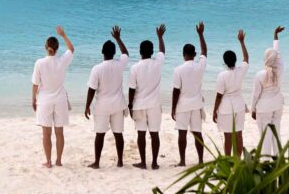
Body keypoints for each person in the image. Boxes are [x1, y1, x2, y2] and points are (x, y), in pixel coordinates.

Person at [85, 25, 130, 169]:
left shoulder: (97, 68)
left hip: (102, 106)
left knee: (100, 134)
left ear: (102, 52)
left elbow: (91, 89)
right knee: (118, 134)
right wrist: (118, 38)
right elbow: (126, 53)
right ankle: (120, 161)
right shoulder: (119, 65)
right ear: (114, 53)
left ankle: (97, 162)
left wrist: (86, 106)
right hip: (118, 105)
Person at [31, 25, 74, 168]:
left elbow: (35, 84)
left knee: (46, 133)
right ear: (57, 48)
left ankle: (48, 162)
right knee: (59, 133)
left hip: (44, 101)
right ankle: (59, 161)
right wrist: (63, 34)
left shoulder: (39, 63)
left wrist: (33, 99)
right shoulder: (62, 61)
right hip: (60, 100)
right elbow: (71, 49)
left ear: (45, 47)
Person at [127, 24, 166, 170]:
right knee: (154, 134)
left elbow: (131, 89)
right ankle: (155, 162)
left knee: (141, 134)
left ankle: (143, 162)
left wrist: (130, 106)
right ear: (152, 52)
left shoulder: (135, 68)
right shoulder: (157, 63)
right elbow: (162, 51)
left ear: (140, 52)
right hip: (154, 104)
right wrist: (160, 37)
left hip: (139, 104)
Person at [171, 21, 208, 167]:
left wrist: (173, 108)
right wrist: (201, 34)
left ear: (183, 55)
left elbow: (176, 91)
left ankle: (182, 161)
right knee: (197, 133)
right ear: (194, 54)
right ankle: (200, 161)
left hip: (183, 105)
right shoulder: (200, 66)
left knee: (182, 134)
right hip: (197, 104)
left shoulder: (178, 70)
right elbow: (205, 51)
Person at [212, 29, 249, 156]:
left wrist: (214, 110)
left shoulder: (222, 75)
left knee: (228, 136)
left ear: (224, 61)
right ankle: (238, 160)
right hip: (239, 105)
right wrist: (242, 42)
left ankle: (228, 160)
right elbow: (246, 58)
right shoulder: (240, 70)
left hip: (226, 108)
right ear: (235, 60)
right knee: (239, 134)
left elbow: (219, 95)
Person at [251, 25, 285, 156]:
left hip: (263, 108)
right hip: (277, 105)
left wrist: (253, 109)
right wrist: (276, 36)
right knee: (276, 133)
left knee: (265, 137)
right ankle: (278, 158)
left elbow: (255, 95)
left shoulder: (260, 74)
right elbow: (278, 54)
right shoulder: (280, 70)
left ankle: (266, 161)